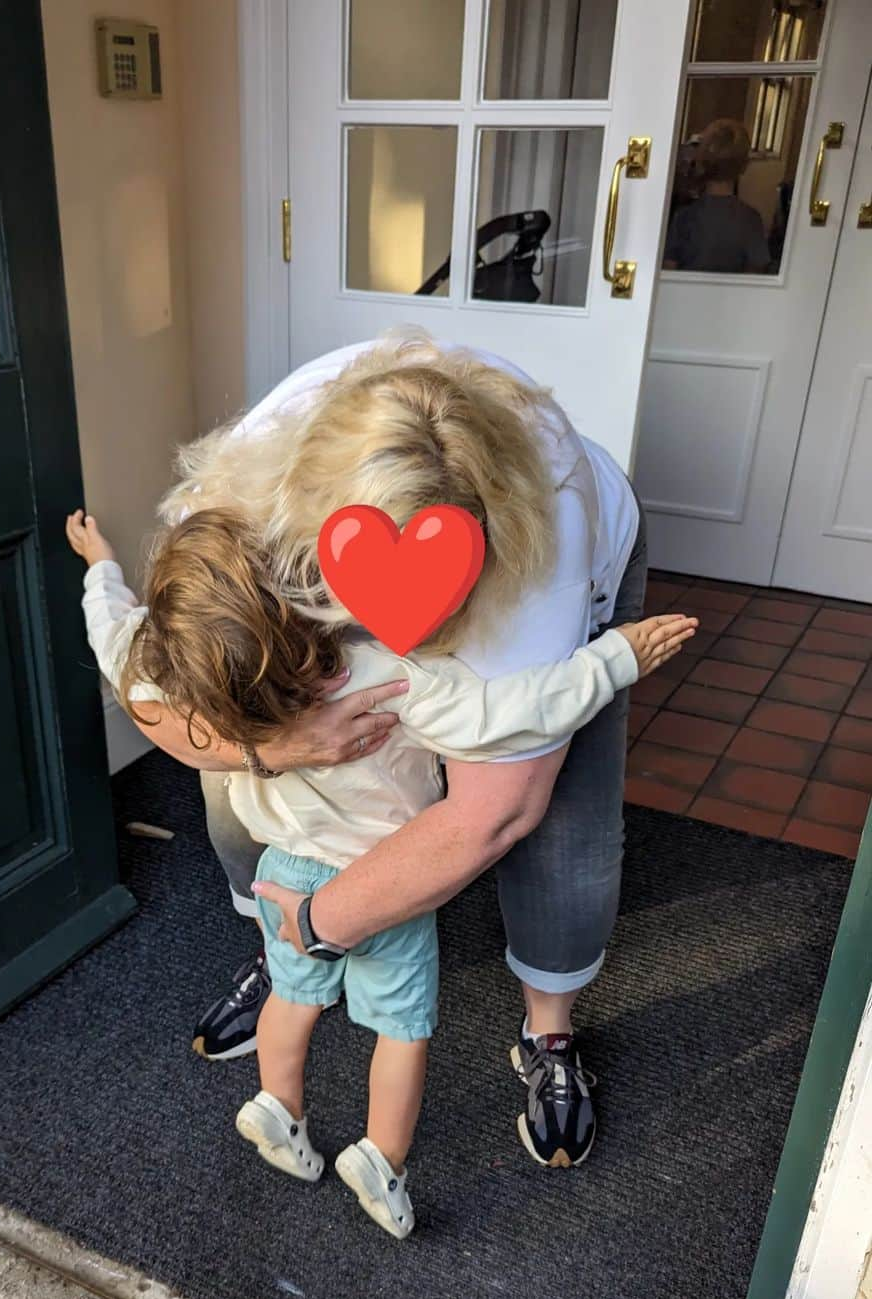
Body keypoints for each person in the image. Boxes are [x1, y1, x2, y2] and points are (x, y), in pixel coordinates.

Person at [96, 333, 649, 1169]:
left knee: (562, 827)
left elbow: (497, 812)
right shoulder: (241, 495)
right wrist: (274, 745)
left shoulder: (547, 545)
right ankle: (280, 959)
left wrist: (323, 920)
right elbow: (156, 687)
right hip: (333, 559)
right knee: (236, 786)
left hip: (551, 588)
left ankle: (549, 1029)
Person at [66, 505, 695, 1233]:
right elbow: (512, 712)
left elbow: (114, 637)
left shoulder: (188, 680)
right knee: (400, 1029)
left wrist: (99, 565)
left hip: (284, 873)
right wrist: (615, 657)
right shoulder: (388, 677)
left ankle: (279, 1105)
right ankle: (382, 1160)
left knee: (293, 1001)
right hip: (384, 885)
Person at [663, 118, 771, 274]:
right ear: (744, 165)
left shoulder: (684, 217)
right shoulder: (751, 219)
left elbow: (669, 270)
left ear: (701, 161)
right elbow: (755, 274)